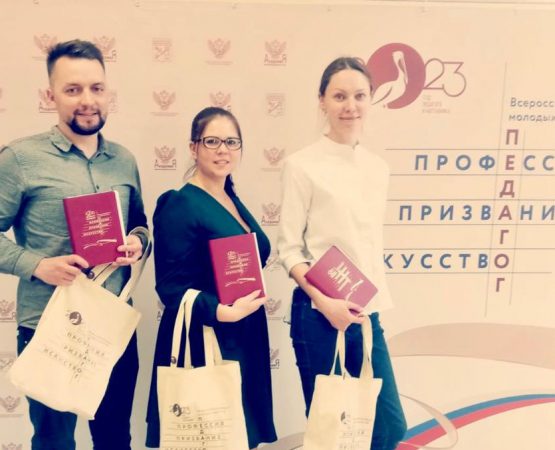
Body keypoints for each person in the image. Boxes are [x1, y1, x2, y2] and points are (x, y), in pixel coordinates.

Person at [0, 40, 149, 450]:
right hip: (49, 326)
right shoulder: (20, 159)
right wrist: (36, 265)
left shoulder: (124, 160)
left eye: (96, 88)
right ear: (50, 95)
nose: (87, 100)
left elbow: (141, 225)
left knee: (115, 438)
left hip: (112, 322)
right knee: (54, 441)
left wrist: (137, 243)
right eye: (72, 89)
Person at [276, 57, 407, 450]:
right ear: (322, 101)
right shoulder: (301, 165)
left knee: (388, 428)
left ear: (370, 100)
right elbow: (289, 249)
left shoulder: (378, 168)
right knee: (330, 434)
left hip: (366, 314)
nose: (350, 106)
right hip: (318, 315)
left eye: (359, 96)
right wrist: (325, 302)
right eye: (339, 96)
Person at [146, 106, 277, 449]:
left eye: (232, 142)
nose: (223, 150)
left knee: (239, 435)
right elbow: (170, 287)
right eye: (212, 141)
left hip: (245, 332)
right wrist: (222, 312)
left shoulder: (230, 197)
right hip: (206, 334)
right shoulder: (179, 204)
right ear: (194, 147)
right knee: (209, 437)